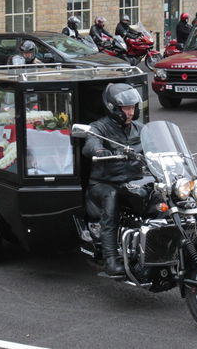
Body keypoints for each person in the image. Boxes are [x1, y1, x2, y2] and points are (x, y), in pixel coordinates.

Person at [82, 83, 143, 276]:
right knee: (112, 197)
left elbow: (155, 145)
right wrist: (99, 150)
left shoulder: (140, 129)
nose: (130, 112)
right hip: (104, 183)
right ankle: (110, 260)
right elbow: (90, 143)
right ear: (113, 108)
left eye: (133, 107)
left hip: (132, 181)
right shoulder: (99, 127)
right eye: (126, 108)